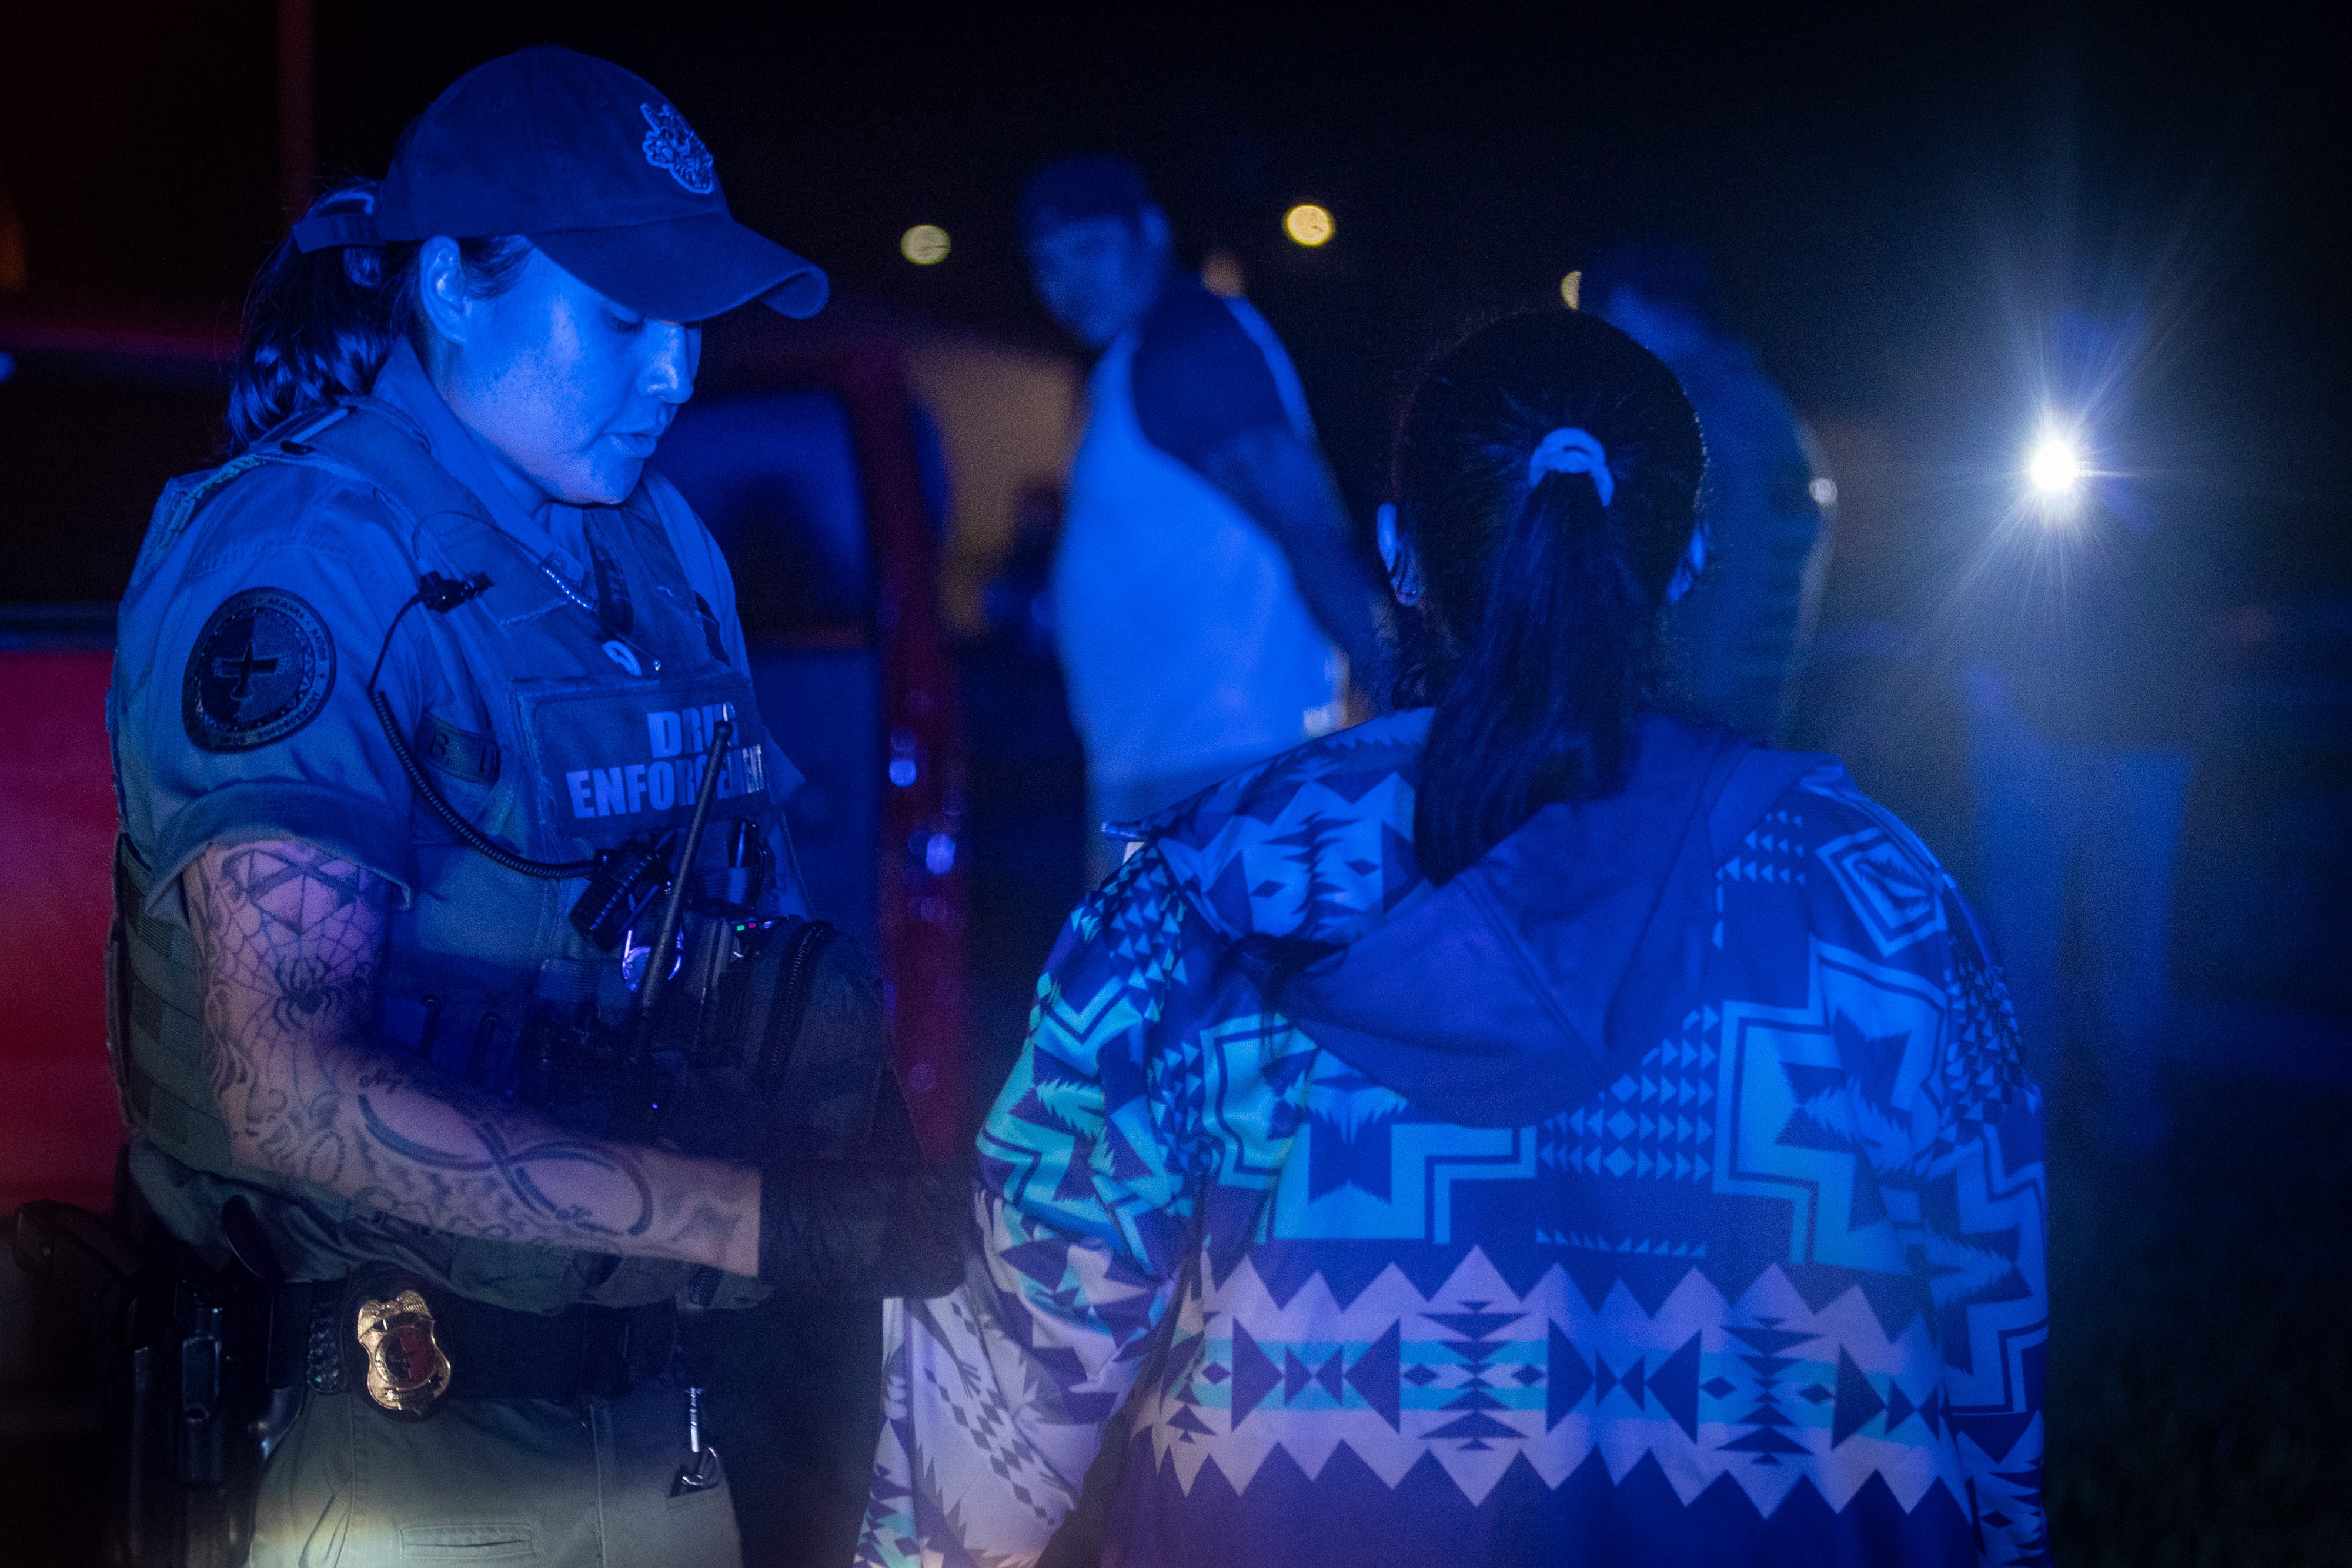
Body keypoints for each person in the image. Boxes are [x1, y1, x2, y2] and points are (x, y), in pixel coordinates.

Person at [858, 310, 2049, 1567]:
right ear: (1687, 555)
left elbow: (987, 1405)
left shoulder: (1204, 899)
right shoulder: (1870, 897)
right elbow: (1990, 1336)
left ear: (1399, 555)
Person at [105, 48, 957, 1568]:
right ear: (450, 285)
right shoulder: (306, 564)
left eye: (689, 323)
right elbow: (282, 1088)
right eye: (623, 317)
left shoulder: (657, 546)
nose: (676, 372)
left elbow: (736, 923)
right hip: (399, 1445)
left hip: (663, 1431)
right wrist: (758, 1222)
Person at [1020, 155, 1394, 880]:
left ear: (1150, 233)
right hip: (1174, 771)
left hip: (1224, 769)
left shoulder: (1188, 346)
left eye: (1090, 249)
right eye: (1047, 265)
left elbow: (1308, 528)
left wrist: (1404, 691)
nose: (1070, 284)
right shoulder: (1134, 358)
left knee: (1211, 996)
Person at [1961, 307, 2201, 1158]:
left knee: (2130, 928)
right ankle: (2027, 1118)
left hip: (2143, 736)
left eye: (2102, 344)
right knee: (2022, 922)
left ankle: (2130, 1113)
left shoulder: (2181, 450)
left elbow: (2207, 578)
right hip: (2033, 730)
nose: (2083, 363)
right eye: (2067, 347)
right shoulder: (2026, 446)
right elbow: (1981, 562)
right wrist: (1982, 681)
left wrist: (2127, 507)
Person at [1587, 241, 1834, 743]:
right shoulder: (1763, 405)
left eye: (1605, 312)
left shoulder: (1684, 408)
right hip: (1755, 713)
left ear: (1633, 298)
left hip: (1684, 722)